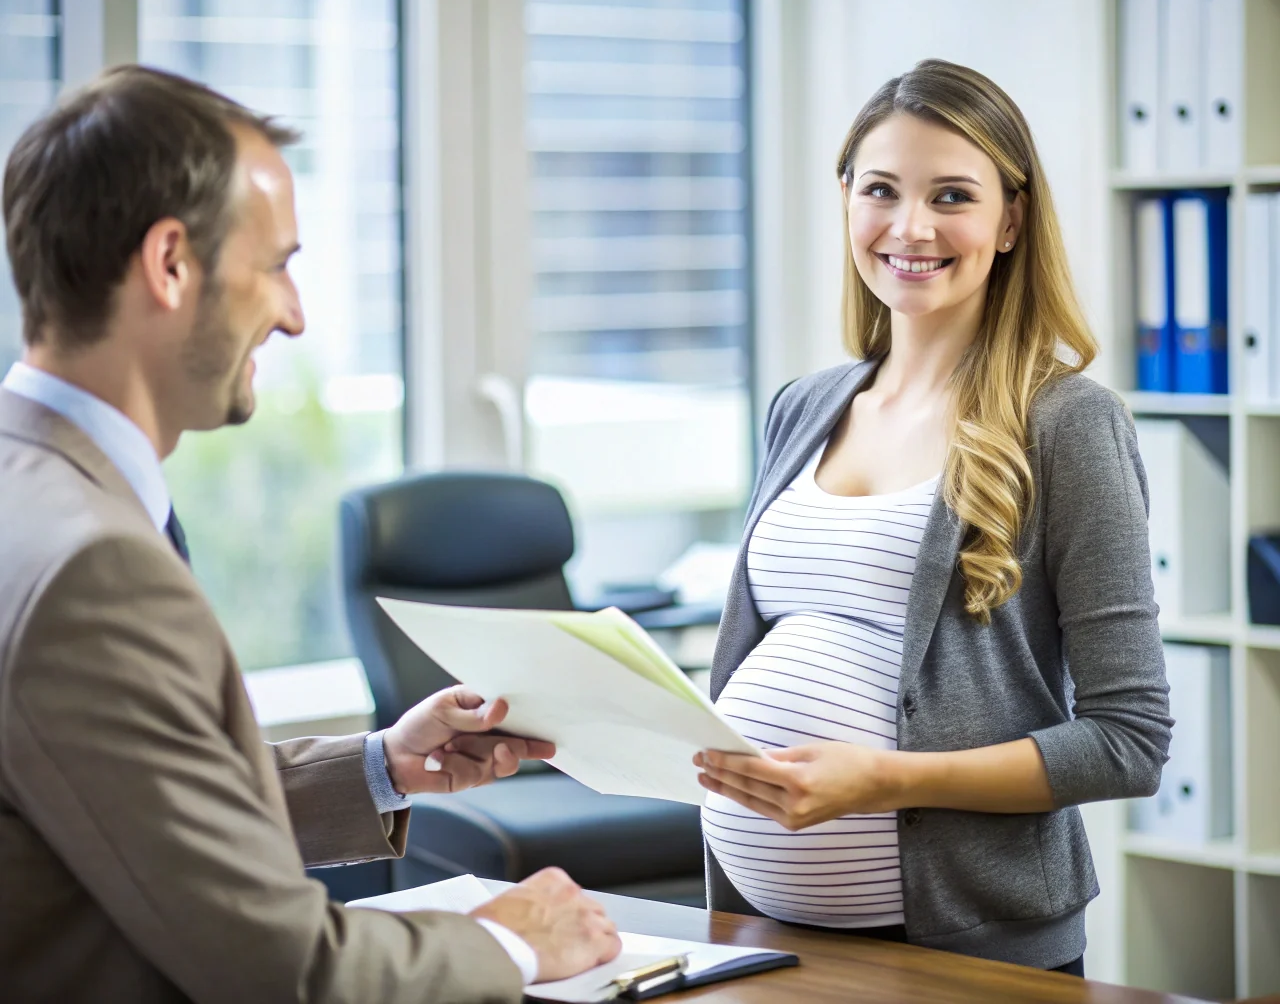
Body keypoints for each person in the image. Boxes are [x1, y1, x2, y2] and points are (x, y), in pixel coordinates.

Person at [0, 65, 620, 1002]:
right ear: (170, 264)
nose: (295, 315)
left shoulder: (33, 490)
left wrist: (377, 767)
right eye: (278, 265)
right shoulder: (96, 565)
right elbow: (282, 970)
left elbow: (128, 808)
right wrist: (511, 943)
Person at [691, 59, 1173, 976]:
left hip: (967, 955)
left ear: (1010, 220)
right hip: (765, 938)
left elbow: (1127, 742)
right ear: (845, 200)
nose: (910, 228)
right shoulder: (804, 405)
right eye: (881, 190)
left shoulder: (1067, 422)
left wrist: (883, 782)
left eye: (952, 195)